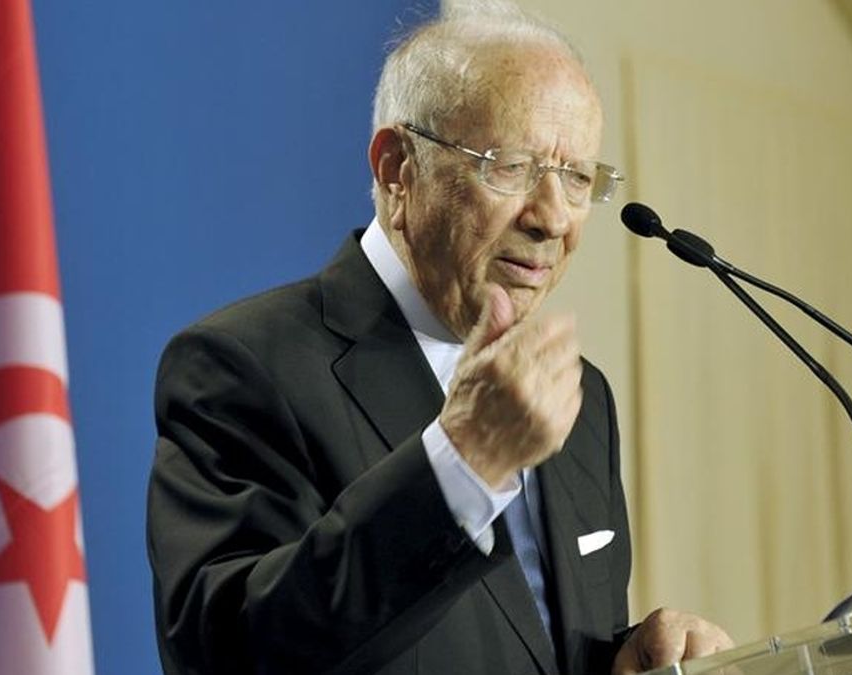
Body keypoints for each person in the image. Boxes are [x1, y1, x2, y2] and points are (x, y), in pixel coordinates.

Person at [147, 2, 733, 674]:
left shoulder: (579, 396)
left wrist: (631, 656)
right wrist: (464, 463)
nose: (551, 219)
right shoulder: (243, 366)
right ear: (398, 168)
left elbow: (522, 639)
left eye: (576, 178)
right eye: (510, 166)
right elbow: (232, 653)